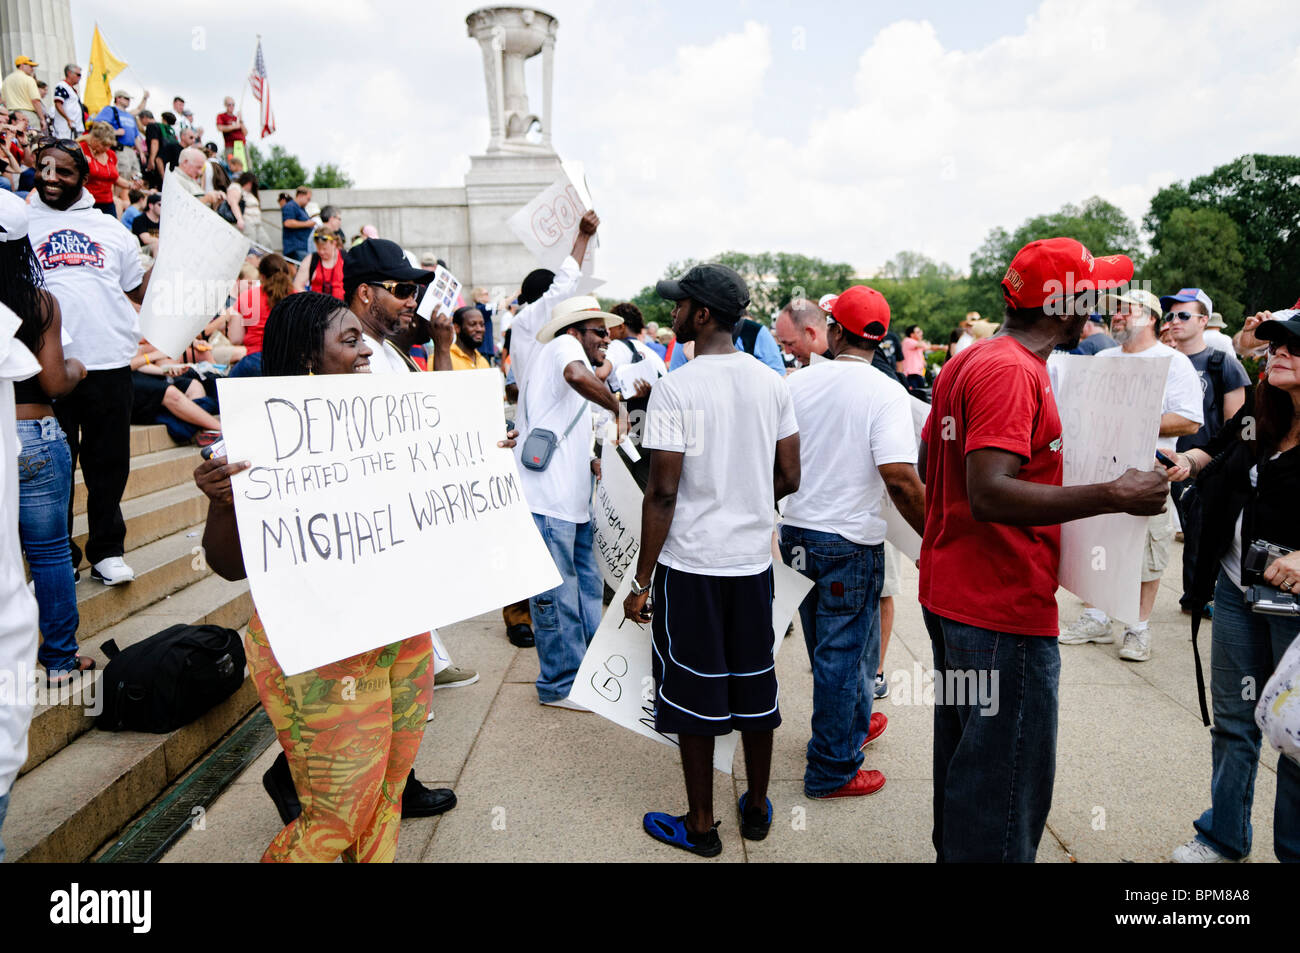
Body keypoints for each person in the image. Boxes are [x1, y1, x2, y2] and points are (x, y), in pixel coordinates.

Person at [918, 238, 1170, 862]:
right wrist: (1114, 492)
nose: (1104, 301)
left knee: (967, 770)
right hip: (1000, 606)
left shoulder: (973, 359)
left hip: (957, 595)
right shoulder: (1012, 371)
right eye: (1095, 290)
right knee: (1003, 790)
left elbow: (932, 462)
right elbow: (991, 493)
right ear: (1067, 305)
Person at [196, 291, 440, 861]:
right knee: (339, 813)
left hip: (400, 635)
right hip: (316, 650)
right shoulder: (255, 443)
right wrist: (222, 502)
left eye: (364, 341)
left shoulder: (389, 425)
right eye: (350, 341)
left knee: (386, 793)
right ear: (310, 354)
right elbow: (228, 566)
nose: (365, 353)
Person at [625, 263, 800, 857]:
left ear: (702, 314)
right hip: (751, 564)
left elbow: (663, 491)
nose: (671, 313)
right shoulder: (772, 383)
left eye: (679, 305)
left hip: (692, 565)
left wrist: (641, 579)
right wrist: (748, 501)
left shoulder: (678, 385)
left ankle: (701, 827)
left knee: (693, 701)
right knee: (756, 688)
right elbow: (791, 474)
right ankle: (755, 808)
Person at [779, 285, 925, 800]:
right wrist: (936, 540)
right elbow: (901, 479)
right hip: (847, 540)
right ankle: (832, 768)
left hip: (799, 532)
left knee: (837, 650)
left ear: (835, 330)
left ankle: (848, 729)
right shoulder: (885, 392)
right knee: (845, 654)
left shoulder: (798, 384)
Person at [1165, 313, 1300, 863]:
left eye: (1294, 346)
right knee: (1234, 722)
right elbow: (1218, 449)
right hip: (1232, 586)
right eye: (1275, 346)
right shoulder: (1263, 412)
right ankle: (1224, 836)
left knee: (1295, 734)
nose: (1278, 353)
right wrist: (1186, 462)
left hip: (1293, 606)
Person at [27, 138, 150, 586]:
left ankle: (107, 550)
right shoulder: (22, 223)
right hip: (46, 366)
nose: (52, 178)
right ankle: (61, 555)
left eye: (63, 171)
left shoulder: (111, 229)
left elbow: (137, 291)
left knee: (108, 464)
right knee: (56, 468)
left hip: (109, 362)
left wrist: (176, 259)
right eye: (44, 168)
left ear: (82, 177)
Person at [1059, 289, 1202, 660]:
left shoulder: (1172, 362)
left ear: (1151, 317)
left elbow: (1189, 417)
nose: (1117, 316)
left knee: (1146, 550)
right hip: (1098, 469)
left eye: (1126, 310)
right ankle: (1095, 616)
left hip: (1147, 472)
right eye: (1115, 311)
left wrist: (1134, 418)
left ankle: (1137, 627)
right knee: (1095, 540)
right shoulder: (1103, 357)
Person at [517, 296, 622, 708]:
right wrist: (620, 406)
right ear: (574, 330)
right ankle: (559, 684)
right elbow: (578, 375)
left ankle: (587, 674)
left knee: (585, 590)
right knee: (558, 597)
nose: (608, 339)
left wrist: (594, 459)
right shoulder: (564, 346)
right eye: (599, 331)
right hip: (549, 502)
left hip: (571, 503)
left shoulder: (567, 354)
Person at [2, 187, 89, 683]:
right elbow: (55, 380)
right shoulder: (38, 302)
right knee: (50, 551)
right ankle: (58, 660)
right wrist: (77, 366)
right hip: (32, 431)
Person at [1164, 287, 1251, 613]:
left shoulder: (1221, 363)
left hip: (1206, 463)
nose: (1174, 322)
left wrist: (1228, 466)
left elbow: (1241, 426)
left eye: (1183, 315)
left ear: (1203, 321)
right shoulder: (1161, 360)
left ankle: (1197, 598)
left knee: (1201, 532)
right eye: (1170, 315)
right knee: (1183, 530)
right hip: (1167, 459)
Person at [225, 252, 296, 378]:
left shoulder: (248, 296)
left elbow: (235, 338)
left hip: (256, 360)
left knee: (223, 394)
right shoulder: (299, 298)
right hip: (291, 362)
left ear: (261, 276)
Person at [78, 122, 138, 217]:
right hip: (86, 202)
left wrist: (131, 185)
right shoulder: (81, 149)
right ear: (94, 139)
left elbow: (115, 178)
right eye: (104, 145)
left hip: (107, 203)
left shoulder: (111, 155)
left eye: (109, 145)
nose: (107, 148)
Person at [92, 90, 143, 197]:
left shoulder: (129, 116)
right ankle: (116, 198)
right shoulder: (110, 110)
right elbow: (97, 124)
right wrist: (115, 132)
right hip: (119, 148)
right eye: (126, 98)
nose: (129, 101)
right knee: (123, 173)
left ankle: (129, 199)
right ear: (118, 98)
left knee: (136, 174)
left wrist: (141, 152)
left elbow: (136, 136)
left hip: (131, 149)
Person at [293, 227, 345, 298]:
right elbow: (297, 285)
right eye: (318, 248)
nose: (321, 252)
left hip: (341, 305)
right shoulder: (311, 259)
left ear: (334, 244)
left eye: (324, 249)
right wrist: (310, 299)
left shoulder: (344, 258)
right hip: (317, 306)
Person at [2, 56, 47, 132]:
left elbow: (4, 101)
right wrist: (42, 119)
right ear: (22, 65)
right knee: (33, 140)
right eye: (30, 66)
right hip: (28, 115)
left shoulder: (6, 80)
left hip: (11, 115)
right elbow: (35, 100)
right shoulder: (29, 79)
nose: (32, 69)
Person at [49, 64, 84, 141]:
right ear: (69, 73)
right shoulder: (62, 86)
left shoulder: (71, 88)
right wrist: (68, 119)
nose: (80, 77)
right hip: (65, 129)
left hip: (74, 128)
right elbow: (58, 104)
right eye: (78, 75)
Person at [449, 306, 491, 370]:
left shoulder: (483, 362)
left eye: (482, 325)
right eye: (472, 324)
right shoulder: (444, 358)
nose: (479, 329)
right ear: (457, 328)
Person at [281, 185, 313, 261]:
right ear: (300, 195)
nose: (308, 202)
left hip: (303, 247)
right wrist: (307, 224)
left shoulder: (301, 209)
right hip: (295, 247)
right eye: (307, 199)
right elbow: (288, 223)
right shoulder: (290, 206)